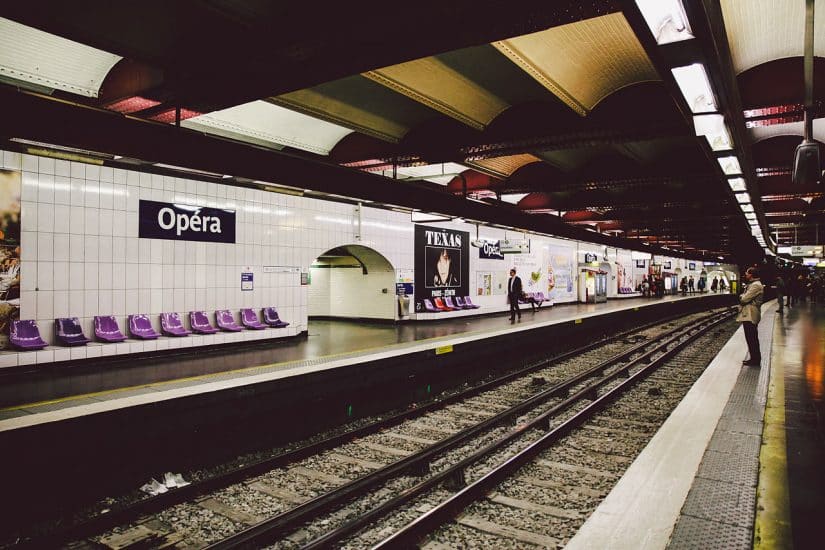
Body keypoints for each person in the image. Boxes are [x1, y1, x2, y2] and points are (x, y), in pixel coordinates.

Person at [737, 267, 764, 367]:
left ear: (751, 274)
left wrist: (741, 296)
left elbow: (744, 299)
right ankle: (754, 358)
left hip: (751, 314)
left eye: (747, 273)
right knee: (750, 337)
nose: (746, 274)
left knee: (752, 337)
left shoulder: (756, 285)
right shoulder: (753, 284)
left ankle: (756, 360)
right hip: (749, 313)